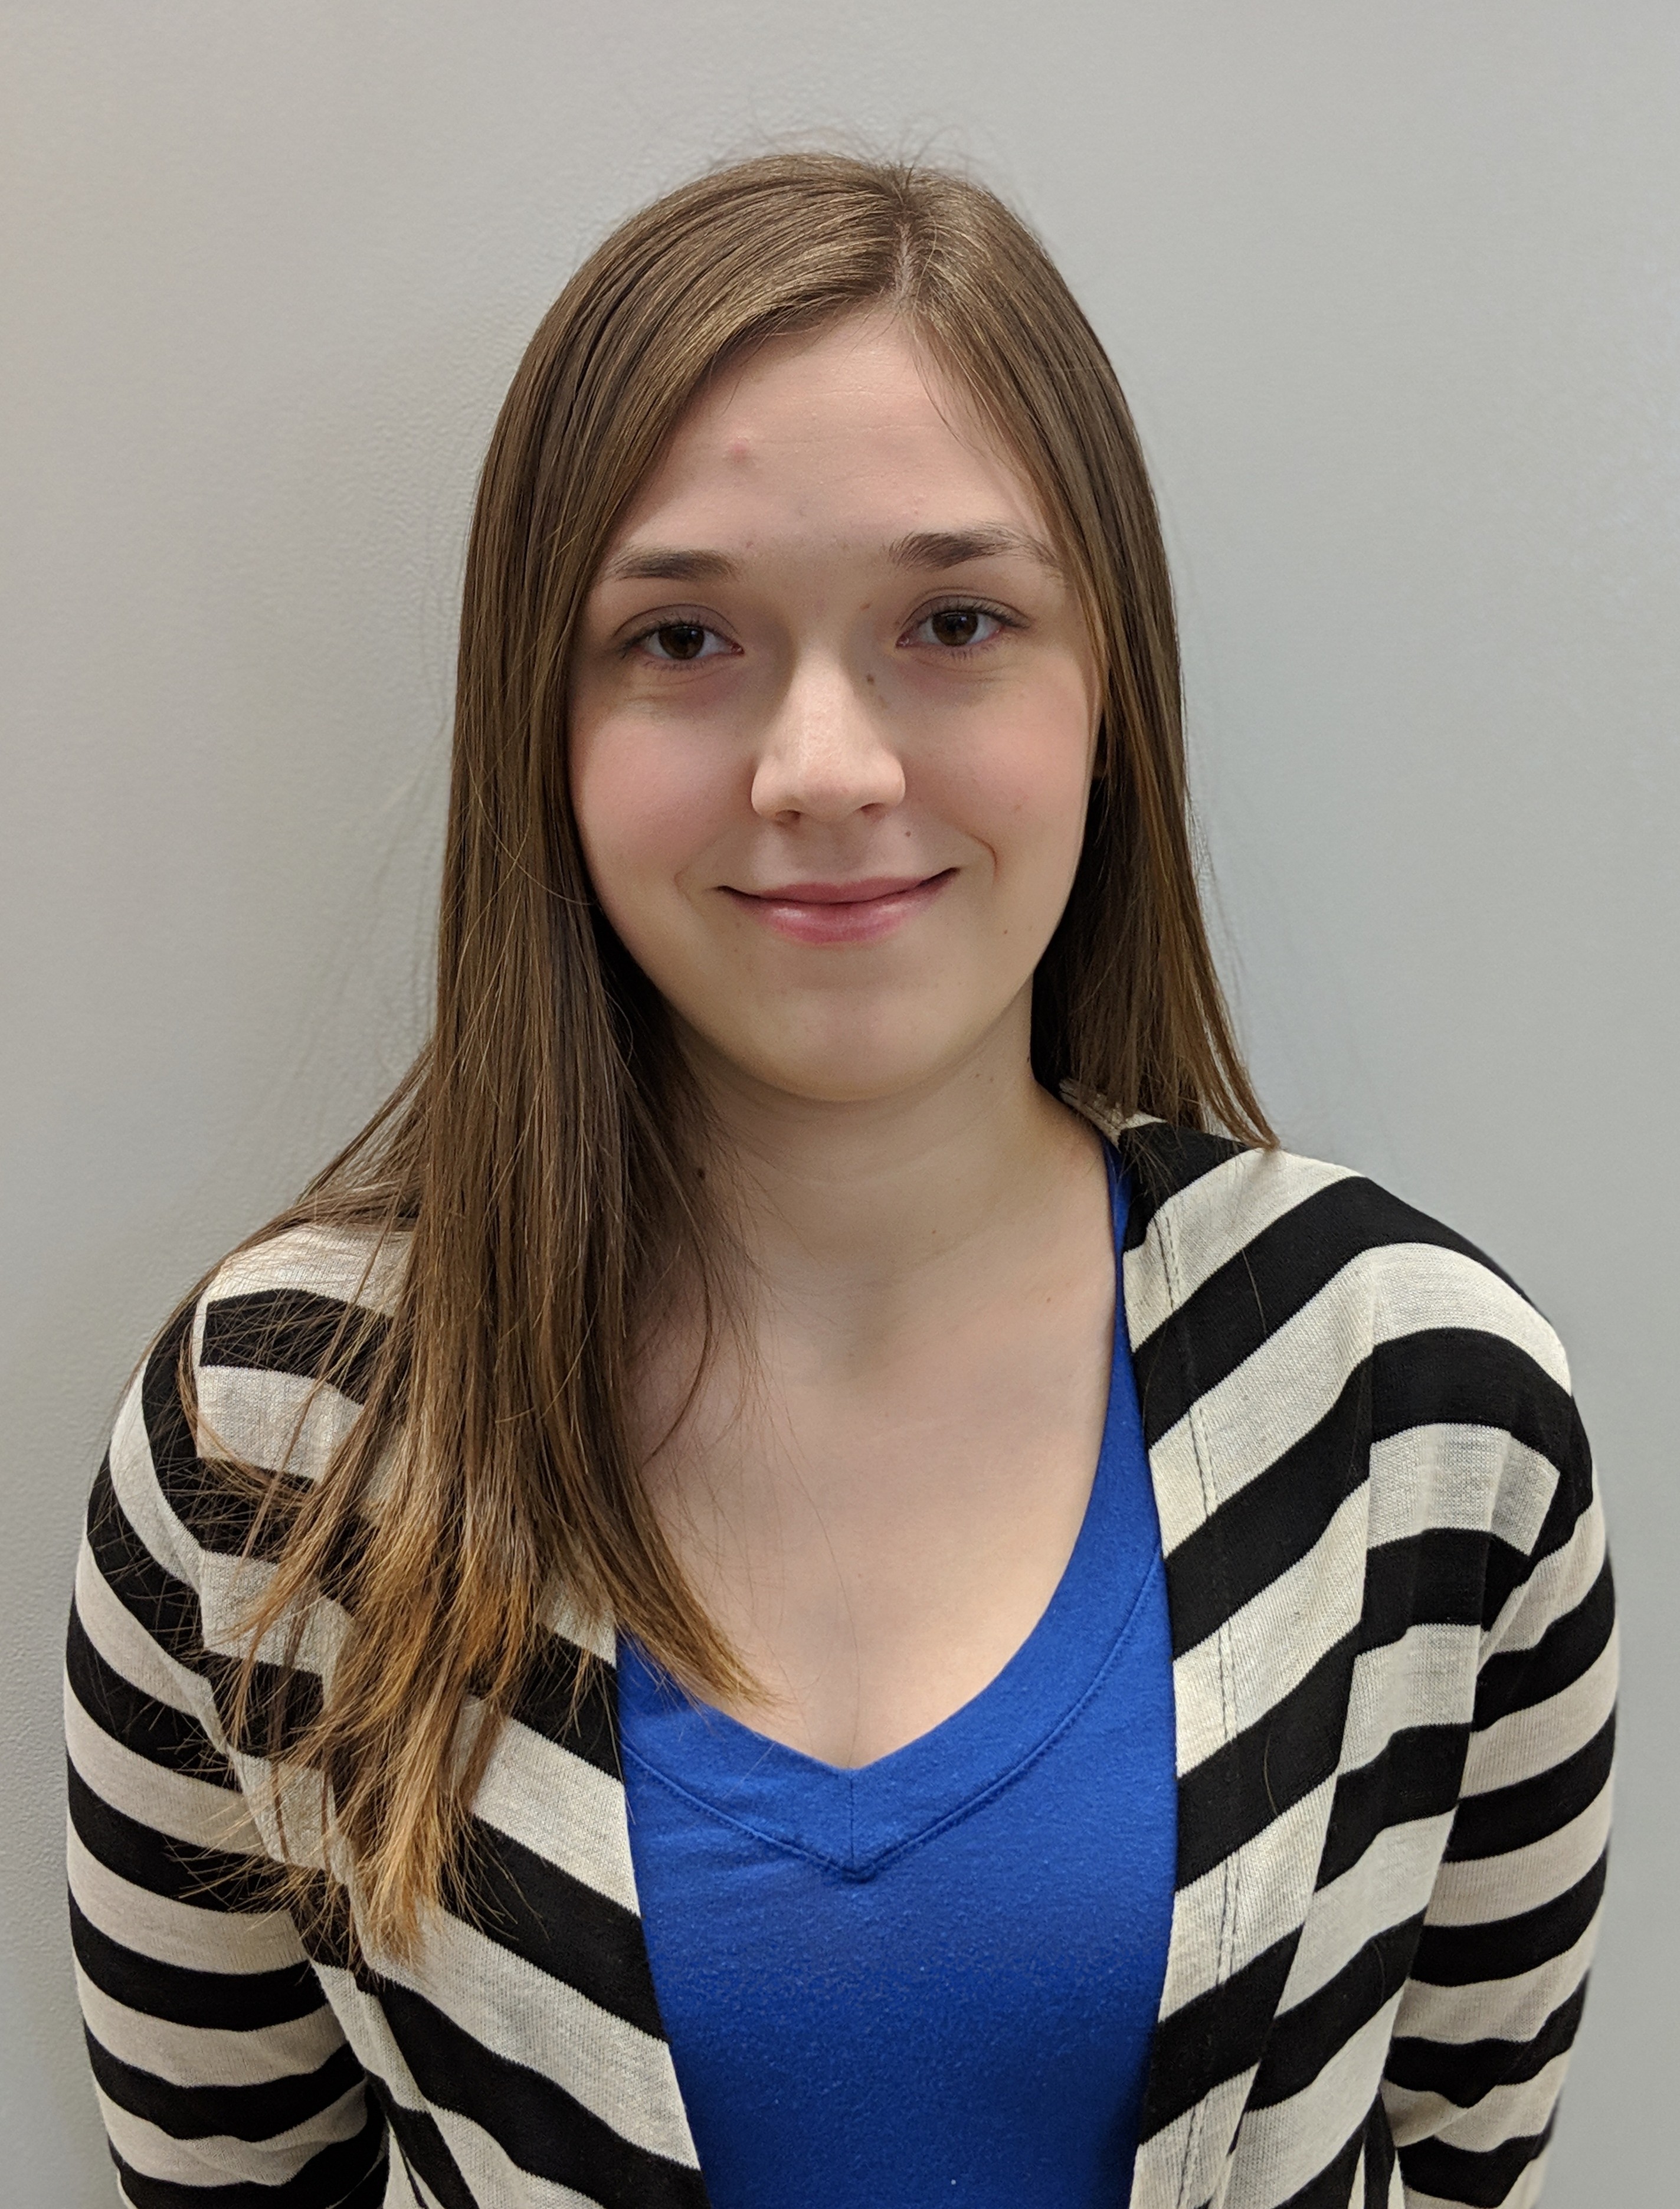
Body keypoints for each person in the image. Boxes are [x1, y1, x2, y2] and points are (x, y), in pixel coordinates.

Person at [65, 153, 1614, 2209]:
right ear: (542, 726)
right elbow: (226, 2172)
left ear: (1111, 694)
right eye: (683, 635)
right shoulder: (272, 1442)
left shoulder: (1423, 1403)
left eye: (955, 621)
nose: (824, 768)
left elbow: (1462, 2149)